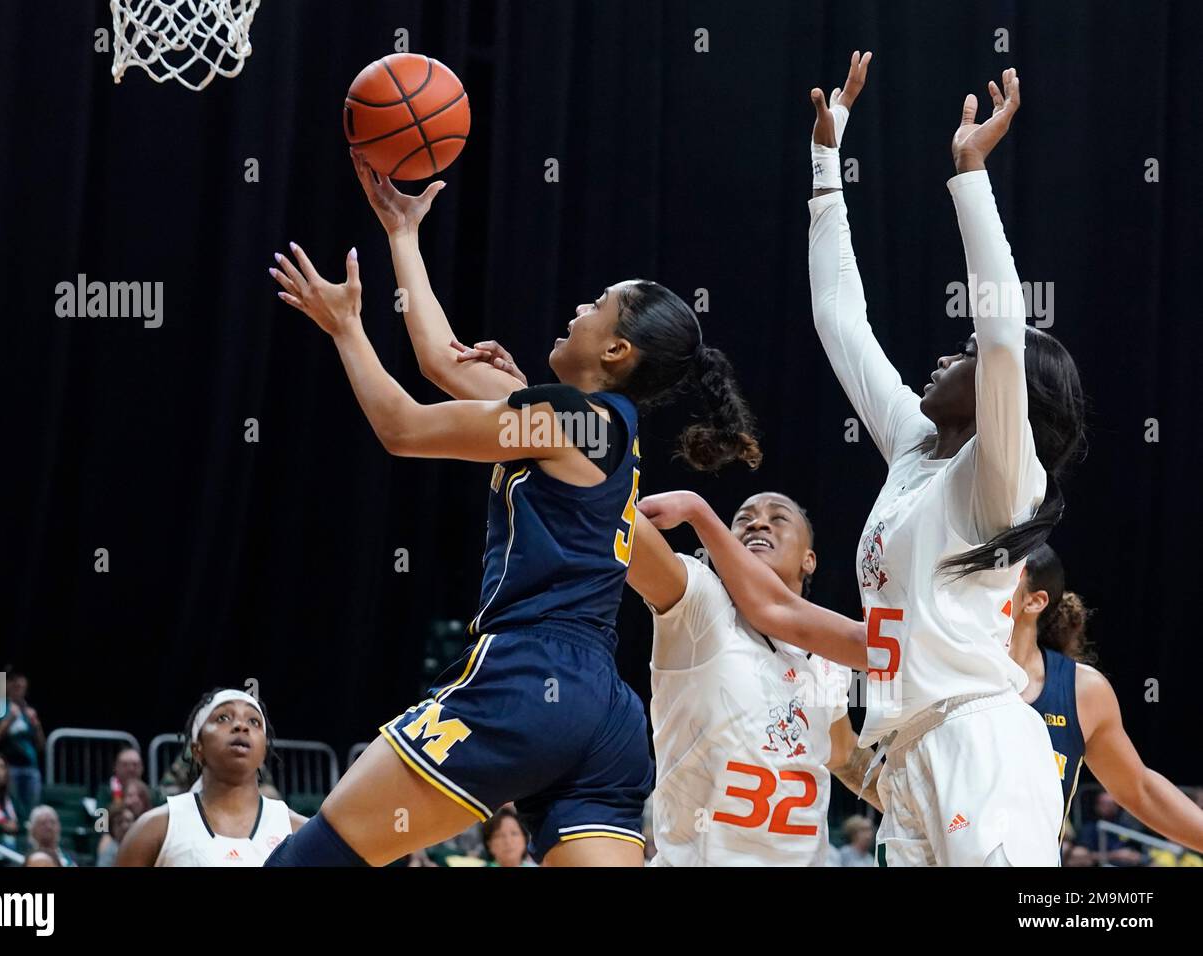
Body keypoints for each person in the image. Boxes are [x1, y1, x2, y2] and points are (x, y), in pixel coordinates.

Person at [263, 153, 761, 867]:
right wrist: (403, 234)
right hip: (607, 720)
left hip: (528, 679)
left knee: (305, 862)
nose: (576, 310)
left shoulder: (561, 419)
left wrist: (345, 327)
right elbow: (441, 360)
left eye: (594, 306)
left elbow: (402, 427)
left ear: (616, 348)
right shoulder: (596, 426)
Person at [807, 53, 1086, 866]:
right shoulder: (915, 449)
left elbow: (1002, 333)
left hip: (979, 744)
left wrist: (970, 174)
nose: (944, 359)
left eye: (960, 354)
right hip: (904, 758)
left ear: (1004, 395)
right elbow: (839, 322)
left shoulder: (1002, 477)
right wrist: (828, 167)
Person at [625, 489, 880, 865]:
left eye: (778, 517)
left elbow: (844, 756)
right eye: (743, 519)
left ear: (809, 560)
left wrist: (918, 804)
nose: (758, 522)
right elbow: (616, 528)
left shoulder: (829, 659)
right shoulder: (700, 603)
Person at [1009, 545, 1203, 858]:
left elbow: (1140, 790)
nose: (981, 591)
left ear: (1034, 601)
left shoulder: (1081, 690)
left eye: (999, 579)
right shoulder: (941, 674)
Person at [117, 690, 304, 866]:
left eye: (254, 721)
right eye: (223, 718)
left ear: (263, 751)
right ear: (197, 749)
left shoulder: (297, 830)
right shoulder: (155, 827)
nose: (241, 726)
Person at [0, 669, 45, 813]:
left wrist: (37, 726)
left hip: (31, 769)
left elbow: (41, 746)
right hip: (8, 768)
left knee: (33, 812)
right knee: (13, 810)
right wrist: (8, 721)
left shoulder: (28, 710)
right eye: (13, 681)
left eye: (21, 682)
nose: (17, 684)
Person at [95, 800, 135, 867]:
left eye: (128, 821)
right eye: (119, 822)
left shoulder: (142, 846)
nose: (124, 826)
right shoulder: (109, 852)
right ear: (112, 828)